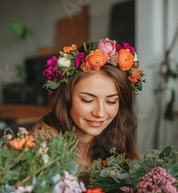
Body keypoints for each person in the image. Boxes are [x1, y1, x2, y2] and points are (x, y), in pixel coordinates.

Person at [30, 38, 143, 172]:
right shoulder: (39, 145)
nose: (100, 113)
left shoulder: (116, 134)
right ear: (67, 97)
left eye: (111, 101)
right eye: (87, 100)